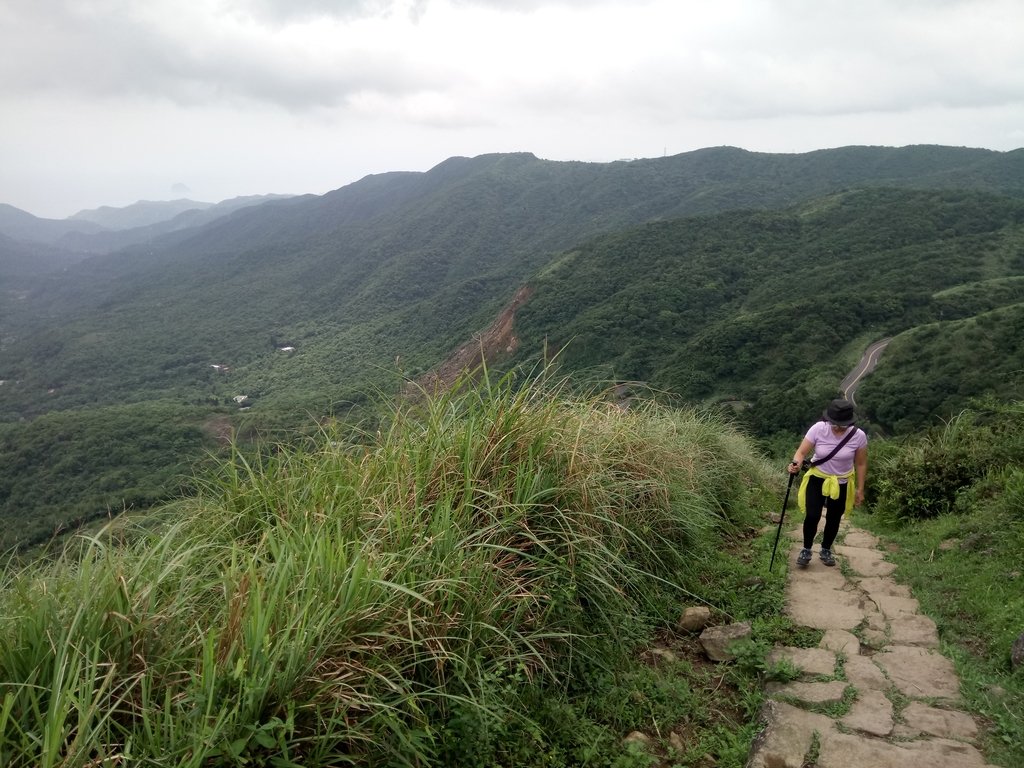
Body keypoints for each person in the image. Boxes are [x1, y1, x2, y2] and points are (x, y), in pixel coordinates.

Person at [786, 398, 868, 567]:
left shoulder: (858, 436)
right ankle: (806, 549)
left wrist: (860, 489)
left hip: (841, 481)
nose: (838, 427)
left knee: (834, 518)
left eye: (842, 424)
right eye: (835, 423)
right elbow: (801, 452)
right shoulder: (818, 429)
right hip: (817, 478)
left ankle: (826, 549)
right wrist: (796, 464)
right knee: (812, 515)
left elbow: (860, 463)